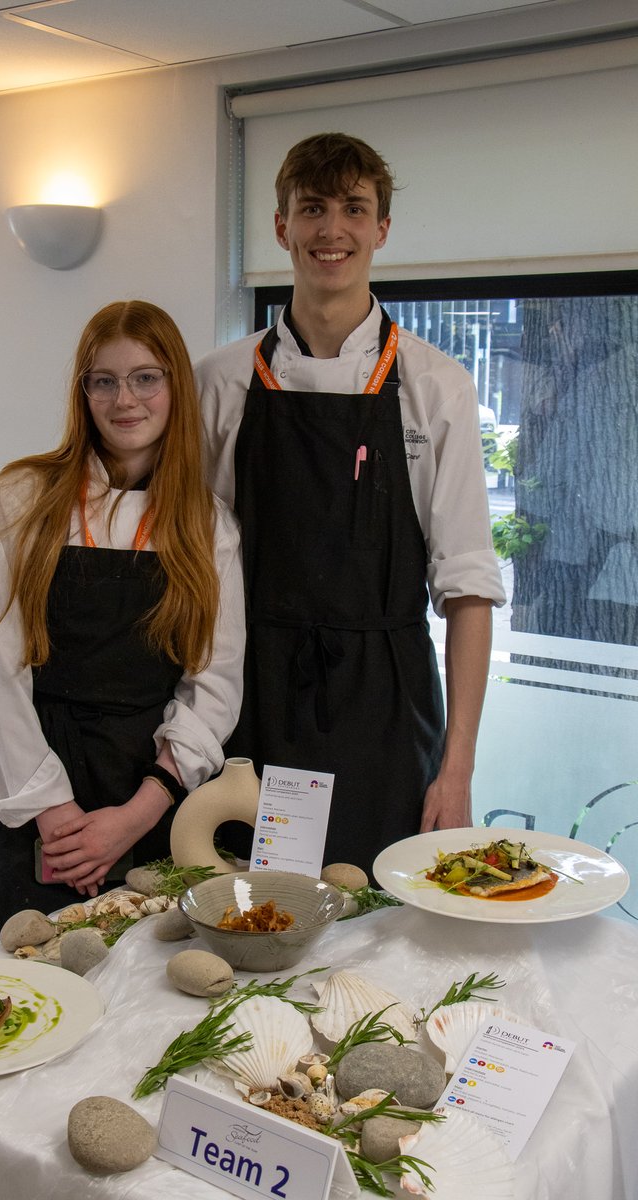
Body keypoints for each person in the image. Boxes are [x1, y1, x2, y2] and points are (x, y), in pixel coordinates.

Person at [196, 132, 506, 876]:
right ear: (281, 228)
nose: (331, 231)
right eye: (312, 209)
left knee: (392, 927)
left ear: (381, 230)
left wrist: (456, 768)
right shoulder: (221, 381)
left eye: (353, 210)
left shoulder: (437, 385)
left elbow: (467, 588)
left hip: (390, 710)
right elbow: (195, 573)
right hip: (256, 702)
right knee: (258, 920)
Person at [0, 300, 245, 940]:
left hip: (147, 798)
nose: (127, 399)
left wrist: (134, 816)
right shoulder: (18, 499)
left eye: (147, 377)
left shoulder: (208, 524)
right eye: (105, 380)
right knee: (28, 993)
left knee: (139, 1001)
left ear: (176, 385)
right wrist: (56, 816)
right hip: (37, 794)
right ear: (83, 393)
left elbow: (214, 686)